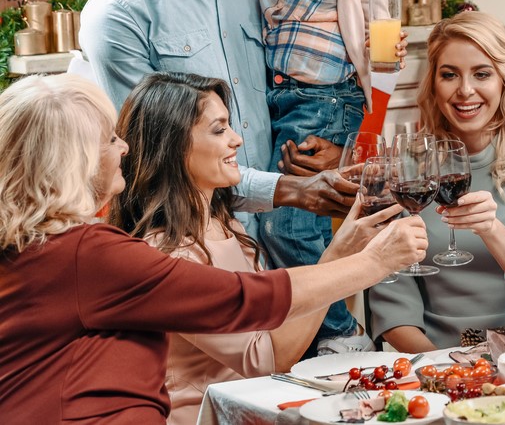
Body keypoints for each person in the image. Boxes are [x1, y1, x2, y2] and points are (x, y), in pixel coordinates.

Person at [82, 0, 377, 353]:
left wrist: (338, 144)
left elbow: (321, 56)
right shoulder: (119, 10)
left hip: (290, 243)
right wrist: (287, 191)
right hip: (200, 256)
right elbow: (156, 157)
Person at [0, 74, 427, 425]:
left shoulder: (41, 247)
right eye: (110, 141)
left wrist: (344, 253)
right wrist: (373, 261)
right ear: (74, 162)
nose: (125, 148)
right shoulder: (89, 253)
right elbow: (244, 303)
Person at [108, 72, 405, 425]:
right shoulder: (166, 253)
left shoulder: (223, 223)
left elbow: (271, 325)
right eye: (219, 130)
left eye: (230, 126)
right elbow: (265, 356)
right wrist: (364, 262)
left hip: (253, 408)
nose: (236, 140)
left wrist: (344, 248)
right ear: (173, 147)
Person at [368, 12, 505, 351]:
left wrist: (490, 227)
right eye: (449, 75)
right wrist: (450, 371)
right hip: (440, 353)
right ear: (434, 84)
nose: (465, 91)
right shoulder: (405, 172)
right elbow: (394, 310)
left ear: (503, 80)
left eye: (482, 74)